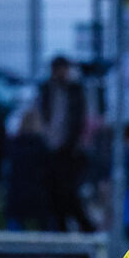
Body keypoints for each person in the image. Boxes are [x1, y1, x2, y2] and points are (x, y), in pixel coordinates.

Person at [37, 55, 95, 232]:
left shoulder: (75, 90)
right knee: (55, 192)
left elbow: (81, 119)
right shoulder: (47, 90)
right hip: (51, 149)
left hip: (70, 151)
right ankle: (65, 227)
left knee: (68, 191)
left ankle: (84, 227)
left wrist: (76, 143)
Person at [4, 107, 51, 232]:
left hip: (15, 198)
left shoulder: (13, 145)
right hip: (37, 198)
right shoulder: (42, 147)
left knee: (14, 240)